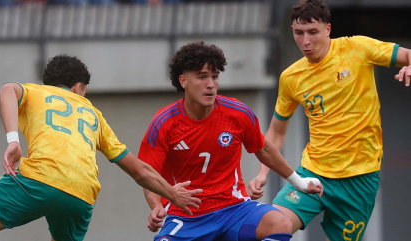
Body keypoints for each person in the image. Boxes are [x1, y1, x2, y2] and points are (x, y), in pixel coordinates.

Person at [0, 54, 202, 241]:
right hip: (81, 195)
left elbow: (7, 90)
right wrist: (172, 194)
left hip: (39, 179)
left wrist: (13, 141)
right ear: (79, 87)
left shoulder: (37, 92)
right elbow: (139, 171)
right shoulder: (94, 115)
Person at [247, 0, 411, 241]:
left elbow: (407, 55)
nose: (305, 41)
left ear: (328, 29)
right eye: (298, 33)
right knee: (273, 225)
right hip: (313, 173)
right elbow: (276, 131)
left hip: (360, 178)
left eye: (313, 32)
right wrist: (263, 173)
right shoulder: (291, 77)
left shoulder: (358, 48)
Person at [138, 41, 323, 241]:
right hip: (186, 214)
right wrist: (156, 206)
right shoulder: (164, 123)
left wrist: (300, 182)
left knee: (280, 223)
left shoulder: (237, 113)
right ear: (183, 81)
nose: (211, 84)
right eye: (202, 77)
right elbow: (148, 174)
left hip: (233, 209)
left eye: (215, 77)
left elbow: (264, 150)